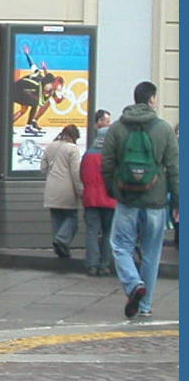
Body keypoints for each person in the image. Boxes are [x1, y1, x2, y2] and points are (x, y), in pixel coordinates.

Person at [102, 81, 179, 319]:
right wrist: (177, 200)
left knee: (120, 246)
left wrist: (114, 191)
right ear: (152, 99)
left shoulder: (116, 129)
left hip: (127, 200)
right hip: (155, 202)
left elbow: (107, 165)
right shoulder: (164, 129)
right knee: (152, 253)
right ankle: (145, 306)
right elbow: (174, 168)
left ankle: (133, 283)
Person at [80, 113, 115, 276]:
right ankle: (104, 264)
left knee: (92, 232)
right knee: (108, 232)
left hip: (91, 199)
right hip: (110, 199)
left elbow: (82, 176)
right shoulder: (113, 156)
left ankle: (91, 265)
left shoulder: (88, 154)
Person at [40, 123, 82, 259]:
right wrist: (80, 190)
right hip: (67, 189)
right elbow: (76, 172)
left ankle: (60, 249)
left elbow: (43, 168)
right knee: (72, 219)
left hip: (51, 188)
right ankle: (62, 241)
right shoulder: (72, 149)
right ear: (74, 136)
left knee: (57, 219)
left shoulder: (50, 147)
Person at [12, 43, 66, 136]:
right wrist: (27, 54)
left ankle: (11, 125)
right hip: (17, 88)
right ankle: (29, 126)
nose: (49, 88)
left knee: (24, 109)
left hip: (23, 92)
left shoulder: (51, 89)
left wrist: (61, 99)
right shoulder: (38, 77)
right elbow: (32, 65)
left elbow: (56, 100)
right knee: (34, 103)